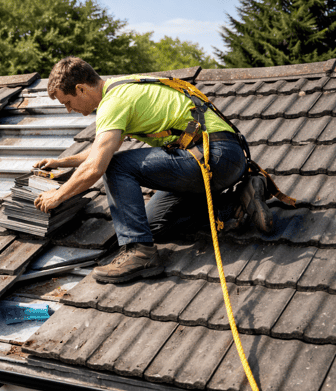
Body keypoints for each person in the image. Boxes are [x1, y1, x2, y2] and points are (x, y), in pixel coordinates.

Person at [33, 57, 272, 284]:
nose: (68, 110)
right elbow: (102, 148)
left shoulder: (113, 102)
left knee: (116, 166)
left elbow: (98, 165)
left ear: (81, 89)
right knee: (152, 224)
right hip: (223, 158)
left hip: (213, 156)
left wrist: (58, 195)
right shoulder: (124, 87)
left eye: (67, 102)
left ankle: (139, 253)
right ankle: (237, 203)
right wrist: (61, 162)